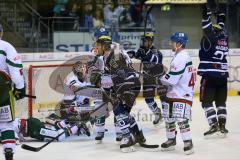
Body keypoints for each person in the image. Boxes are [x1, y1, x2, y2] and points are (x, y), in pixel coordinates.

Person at [91, 35, 146, 152]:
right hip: (129, 84)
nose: (96, 48)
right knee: (124, 112)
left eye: (98, 46)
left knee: (118, 109)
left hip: (127, 85)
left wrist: (101, 81)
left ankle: (127, 138)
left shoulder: (113, 58)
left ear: (104, 46)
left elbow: (120, 76)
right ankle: (138, 135)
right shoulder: (109, 56)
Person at [159, 32, 195, 155]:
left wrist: (160, 78)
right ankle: (171, 140)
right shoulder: (180, 56)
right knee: (168, 117)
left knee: (180, 118)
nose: (171, 44)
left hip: (182, 93)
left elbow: (173, 79)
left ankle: (188, 142)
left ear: (179, 44)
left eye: (173, 42)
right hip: (175, 92)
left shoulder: (181, 57)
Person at [198, 4, 229, 137]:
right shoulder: (224, 40)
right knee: (221, 102)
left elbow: (207, 27)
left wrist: (206, 13)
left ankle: (213, 124)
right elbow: (219, 27)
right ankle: (222, 126)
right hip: (222, 77)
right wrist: (221, 17)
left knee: (206, 102)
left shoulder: (209, 39)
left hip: (209, 76)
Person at [0, 24, 26, 160]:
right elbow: (16, 74)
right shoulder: (6, 46)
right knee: (6, 123)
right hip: (2, 88)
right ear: (1, 33)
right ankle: (9, 148)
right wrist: (20, 87)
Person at [128, 32, 163, 125]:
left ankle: (161, 114)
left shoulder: (156, 52)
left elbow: (153, 61)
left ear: (150, 41)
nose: (143, 42)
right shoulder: (142, 50)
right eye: (143, 40)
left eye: (145, 40)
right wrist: (132, 55)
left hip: (154, 78)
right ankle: (157, 112)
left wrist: (142, 57)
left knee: (149, 97)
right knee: (148, 99)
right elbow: (136, 58)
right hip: (146, 77)